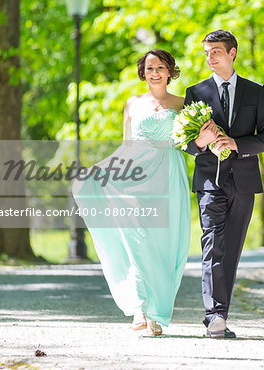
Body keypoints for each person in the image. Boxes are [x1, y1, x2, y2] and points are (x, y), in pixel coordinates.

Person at [72, 49, 190, 336]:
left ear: (170, 71)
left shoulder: (184, 103)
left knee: (164, 243)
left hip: (168, 175)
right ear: (143, 72)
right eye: (149, 68)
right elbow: (126, 146)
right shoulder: (132, 104)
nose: (154, 73)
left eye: (160, 67)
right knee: (137, 238)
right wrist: (99, 169)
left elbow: (192, 142)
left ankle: (158, 313)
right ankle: (140, 307)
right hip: (135, 178)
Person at [183, 30, 264, 338]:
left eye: (216, 52)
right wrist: (201, 140)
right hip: (210, 181)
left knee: (232, 249)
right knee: (212, 245)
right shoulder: (195, 92)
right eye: (207, 52)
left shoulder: (255, 92)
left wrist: (236, 143)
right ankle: (215, 316)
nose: (210, 57)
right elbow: (188, 145)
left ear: (232, 53)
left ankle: (220, 311)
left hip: (245, 181)